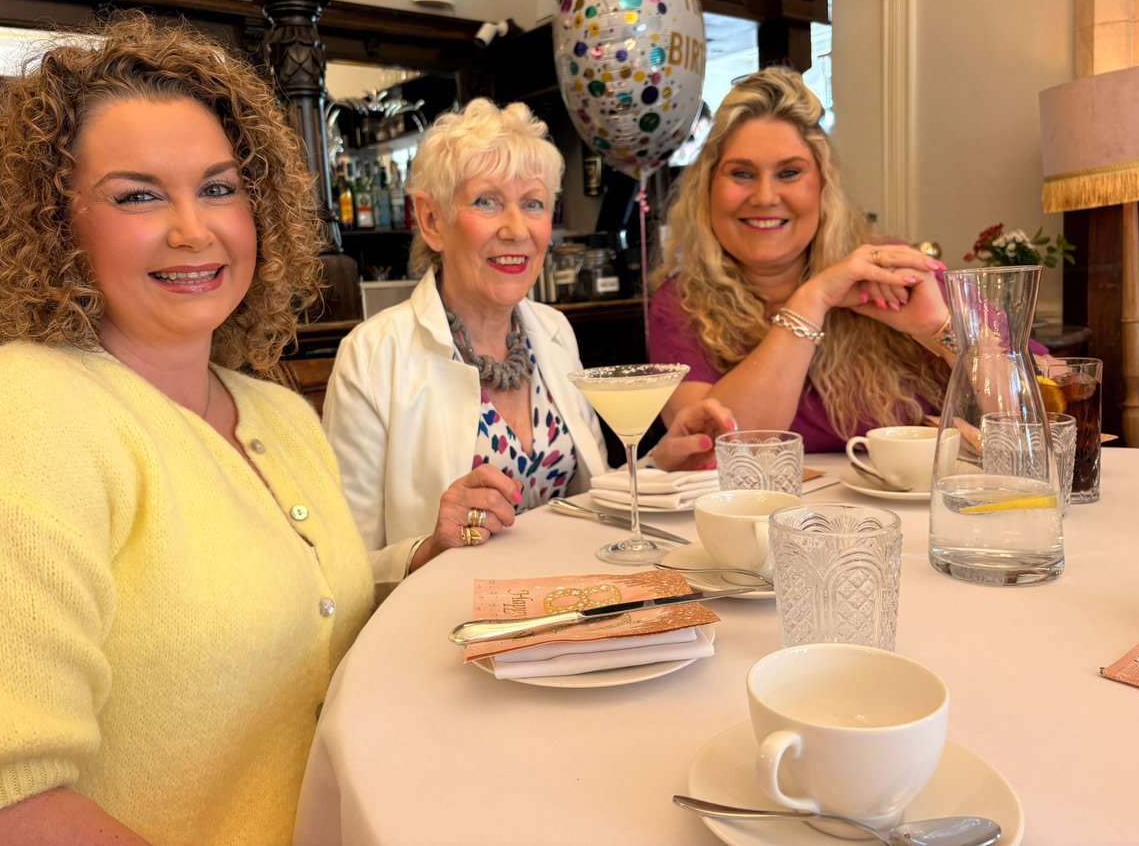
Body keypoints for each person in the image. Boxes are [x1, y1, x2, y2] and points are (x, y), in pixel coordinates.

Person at [0, 14, 373, 844]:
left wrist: (410, 562)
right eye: (138, 195)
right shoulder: (13, 415)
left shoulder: (279, 412)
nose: (193, 228)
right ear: (54, 223)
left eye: (218, 187)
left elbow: (296, 605)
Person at [322, 98, 733, 595]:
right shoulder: (371, 356)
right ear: (431, 220)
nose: (517, 229)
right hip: (447, 622)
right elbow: (340, 570)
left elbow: (585, 506)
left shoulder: (554, 331)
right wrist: (429, 546)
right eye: (487, 201)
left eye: (533, 203)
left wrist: (658, 465)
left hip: (575, 606)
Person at [650, 67, 955, 452]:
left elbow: (1034, 406)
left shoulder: (890, 271)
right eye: (741, 173)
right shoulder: (681, 304)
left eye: (789, 173)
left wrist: (938, 327)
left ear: (823, 186)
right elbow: (715, 446)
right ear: (707, 190)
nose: (764, 197)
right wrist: (812, 300)